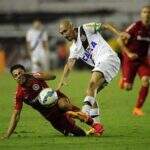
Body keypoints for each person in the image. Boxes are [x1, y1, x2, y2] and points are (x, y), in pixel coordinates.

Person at [57, 20, 121, 135]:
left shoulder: (85, 28)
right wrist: (62, 82)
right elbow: (69, 64)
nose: (64, 34)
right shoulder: (73, 48)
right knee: (91, 93)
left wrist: (119, 34)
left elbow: (105, 26)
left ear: (72, 26)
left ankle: (84, 112)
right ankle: (97, 128)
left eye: (65, 31)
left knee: (91, 85)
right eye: (62, 33)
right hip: (108, 65)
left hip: (108, 58)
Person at [1, 64, 95, 139]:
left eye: (20, 73)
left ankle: (91, 122)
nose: (18, 76)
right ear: (13, 78)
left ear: (24, 72)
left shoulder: (34, 77)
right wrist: (7, 134)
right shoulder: (20, 94)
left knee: (64, 105)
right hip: (52, 116)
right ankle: (70, 117)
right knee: (81, 134)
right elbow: (16, 115)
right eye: (15, 75)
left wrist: (37, 75)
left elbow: (53, 76)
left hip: (57, 100)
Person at [118, 6, 150, 116]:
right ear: (141, 14)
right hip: (130, 59)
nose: (146, 14)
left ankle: (137, 108)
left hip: (142, 60)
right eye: (144, 12)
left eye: (148, 12)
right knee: (128, 88)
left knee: (146, 80)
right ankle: (123, 79)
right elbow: (119, 40)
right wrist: (128, 53)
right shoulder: (136, 26)